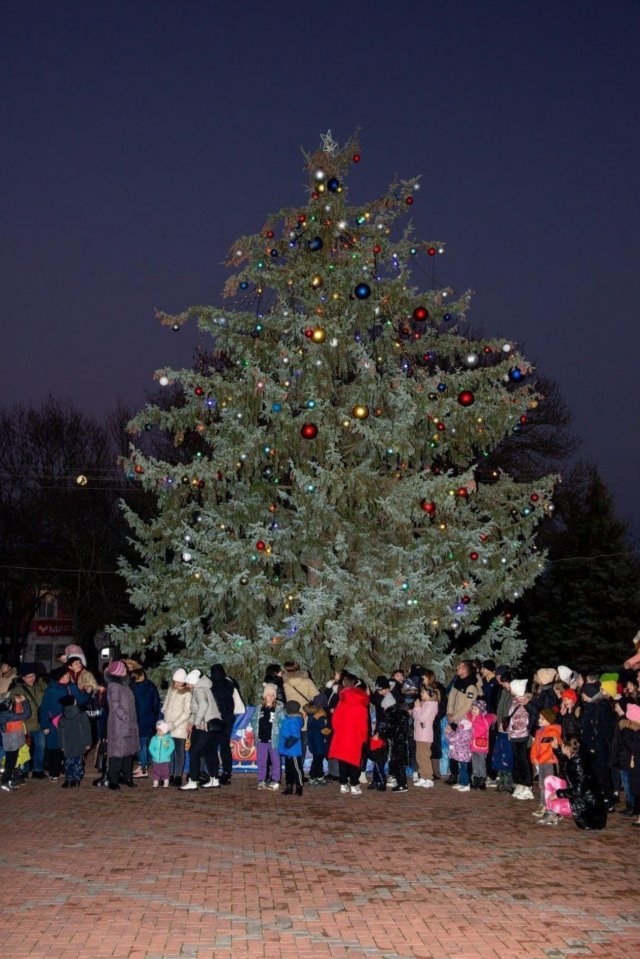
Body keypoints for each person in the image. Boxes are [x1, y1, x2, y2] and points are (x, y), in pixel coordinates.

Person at [39, 666, 89, 781]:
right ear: (59, 678)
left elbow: (81, 699)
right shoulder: (51, 690)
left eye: (68, 674)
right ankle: (54, 772)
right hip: (54, 723)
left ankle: (69, 769)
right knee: (55, 748)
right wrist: (45, 725)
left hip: (71, 723)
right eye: (65, 675)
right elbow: (44, 708)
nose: (68, 676)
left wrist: (87, 692)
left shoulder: (72, 687)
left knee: (69, 746)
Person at [548, 736, 607, 830]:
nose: (561, 745)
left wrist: (559, 793)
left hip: (588, 812)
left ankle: (554, 814)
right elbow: (565, 762)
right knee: (549, 780)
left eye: (562, 745)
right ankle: (553, 812)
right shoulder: (575, 756)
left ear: (567, 748)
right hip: (582, 799)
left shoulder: (579, 763)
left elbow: (579, 791)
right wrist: (557, 749)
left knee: (554, 804)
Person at [328, 674, 370, 795]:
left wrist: (338, 731)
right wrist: (364, 737)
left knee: (342, 760)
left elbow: (335, 720)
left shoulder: (342, 701)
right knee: (354, 761)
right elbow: (363, 723)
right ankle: (354, 784)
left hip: (342, 735)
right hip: (355, 736)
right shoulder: (361, 704)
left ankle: (343, 784)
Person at [181, 670, 221, 791]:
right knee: (210, 752)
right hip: (212, 726)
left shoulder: (199, 690)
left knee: (193, 752)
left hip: (204, 726)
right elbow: (198, 709)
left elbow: (203, 706)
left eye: (188, 683)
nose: (187, 686)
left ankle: (193, 780)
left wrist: (196, 722)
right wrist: (191, 721)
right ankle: (214, 779)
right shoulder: (205, 688)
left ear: (192, 682)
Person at [105, 660, 140, 791]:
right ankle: (113, 780)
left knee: (128, 753)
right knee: (117, 753)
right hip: (119, 725)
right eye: (124, 668)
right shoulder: (114, 686)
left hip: (129, 724)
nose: (126, 670)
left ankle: (127, 777)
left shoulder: (125, 685)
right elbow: (115, 706)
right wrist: (126, 717)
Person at [445, 661, 480, 785]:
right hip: (453, 719)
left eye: (460, 667)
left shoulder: (471, 686)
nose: (457, 668)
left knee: (464, 749)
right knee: (452, 746)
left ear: (466, 670)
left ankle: (466, 776)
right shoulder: (457, 683)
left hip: (464, 722)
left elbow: (467, 706)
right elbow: (451, 699)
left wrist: (455, 716)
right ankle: (453, 774)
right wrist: (449, 713)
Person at [10, 663, 47, 778]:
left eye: (33, 676)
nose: (31, 679)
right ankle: (24, 770)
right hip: (24, 724)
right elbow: (14, 707)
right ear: (22, 678)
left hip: (39, 722)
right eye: (28, 677)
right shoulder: (17, 689)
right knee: (24, 748)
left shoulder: (40, 685)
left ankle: (38, 770)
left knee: (41, 746)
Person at [209, 664, 242, 786]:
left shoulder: (210, 685)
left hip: (215, 719)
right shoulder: (230, 683)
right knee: (225, 746)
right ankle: (227, 773)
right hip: (228, 718)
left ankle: (214, 773)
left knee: (212, 747)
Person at [529, 708, 562, 821]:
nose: (539, 720)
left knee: (550, 786)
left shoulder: (553, 732)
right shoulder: (539, 732)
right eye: (539, 718)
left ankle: (551, 807)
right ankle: (543, 804)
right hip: (542, 762)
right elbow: (534, 746)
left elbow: (550, 750)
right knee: (542, 784)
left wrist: (540, 759)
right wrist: (533, 757)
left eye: (542, 718)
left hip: (550, 762)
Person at [283, 660, 320, 759]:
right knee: (303, 742)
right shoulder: (307, 681)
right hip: (305, 715)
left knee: (291, 741)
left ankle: (292, 768)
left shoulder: (285, 684)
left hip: (290, 716)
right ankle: (300, 766)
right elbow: (316, 696)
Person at [162, 668, 192, 786]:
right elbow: (167, 702)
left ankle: (178, 776)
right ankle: (169, 775)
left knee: (179, 752)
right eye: (175, 681)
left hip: (179, 727)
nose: (176, 684)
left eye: (179, 682)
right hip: (168, 725)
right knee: (169, 751)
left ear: (183, 681)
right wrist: (164, 712)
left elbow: (186, 712)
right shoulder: (172, 689)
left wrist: (174, 724)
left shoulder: (187, 693)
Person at [251, 682, 283, 790]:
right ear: (264, 695)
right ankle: (261, 779)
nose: (270, 697)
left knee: (275, 760)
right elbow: (253, 720)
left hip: (274, 739)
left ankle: (275, 780)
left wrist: (278, 730)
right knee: (261, 760)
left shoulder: (279, 709)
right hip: (261, 739)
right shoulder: (259, 708)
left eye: (273, 695)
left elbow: (282, 722)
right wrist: (256, 729)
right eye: (268, 695)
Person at [130, 668, 161, 778]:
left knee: (141, 745)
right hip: (150, 719)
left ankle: (143, 769)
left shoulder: (133, 688)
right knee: (147, 744)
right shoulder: (150, 686)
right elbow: (156, 702)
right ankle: (144, 765)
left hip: (139, 720)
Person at [507, 679, 534, 800]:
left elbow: (525, 719)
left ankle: (527, 785)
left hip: (521, 735)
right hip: (514, 735)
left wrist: (514, 726)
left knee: (523, 760)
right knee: (517, 761)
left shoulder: (523, 702)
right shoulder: (515, 701)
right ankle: (519, 783)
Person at [57, 693, 92, 787]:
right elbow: (86, 729)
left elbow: (59, 733)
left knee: (68, 762)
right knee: (78, 761)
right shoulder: (81, 714)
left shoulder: (62, 717)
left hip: (67, 744)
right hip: (79, 742)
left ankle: (68, 779)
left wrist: (61, 745)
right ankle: (76, 779)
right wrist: (88, 742)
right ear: (75, 702)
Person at [0, 693, 31, 792]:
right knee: (10, 764)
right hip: (11, 744)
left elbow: (17, 714)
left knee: (11, 763)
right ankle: (5, 782)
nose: (11, 705)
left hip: (13, 743)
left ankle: (7, 781)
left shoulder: (6, 714)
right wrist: (24, 701)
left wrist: (18, 704)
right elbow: (25, 714)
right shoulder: (7, 715)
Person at [412, 684, 439, 788]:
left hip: (425, 735)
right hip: (419, 734)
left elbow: (422, 718)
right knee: (419, 756)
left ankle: (429, 778)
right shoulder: (423, 703)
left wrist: (418, 708)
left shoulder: (431, 705)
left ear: (430, 694)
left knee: (425, 756)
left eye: (423, 692)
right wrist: (417, 707)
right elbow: (416, 717)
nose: (421, 694)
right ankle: (422, 776)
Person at [469, 698, 496, 790]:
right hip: (473, 745)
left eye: (475, 709)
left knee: (481, 763)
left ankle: (482, 779)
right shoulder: (472, 717)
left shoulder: (484, 720)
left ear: (481, 710)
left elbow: (480, 730)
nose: (473, 711)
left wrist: (473, 722)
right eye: (472, 708)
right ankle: (475, 778)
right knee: (474, 763)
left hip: (481, 745)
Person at [278, 701, 304, 795]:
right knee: (288, 769)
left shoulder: (294, 720)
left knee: (296, 769)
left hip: (293, 749)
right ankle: (289, 786)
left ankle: (299, 786)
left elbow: (296, 735)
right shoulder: (288, 718)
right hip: (288, 749)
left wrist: (287, 744)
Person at [305, 693, 331, 784]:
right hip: (319, 741)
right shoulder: (320, 715)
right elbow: (323, 729)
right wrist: (330, 730)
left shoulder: (312, 713)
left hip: (313, 740)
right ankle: (314, 776)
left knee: (317, 759)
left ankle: (317, 775)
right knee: (318, 759)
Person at [148, 720, 175, 788]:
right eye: (157, 730)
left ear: (165, 730)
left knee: (165, 772)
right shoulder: (154, 738)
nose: (158, 732)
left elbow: (172, 747)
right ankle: (155, 783)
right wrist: (154, 754)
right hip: (155, 760)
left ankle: (166, 783)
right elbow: (151, 747)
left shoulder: (168, 739)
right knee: (155, 771)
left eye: (160, 730)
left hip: (165, 760)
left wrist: (166, 754)